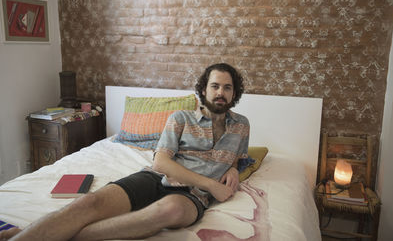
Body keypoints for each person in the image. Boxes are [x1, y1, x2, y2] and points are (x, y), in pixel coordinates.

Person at [1, 63, 249, 241]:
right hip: (154, 178)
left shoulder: (242, 125)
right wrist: (212, 183)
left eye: (227, 88)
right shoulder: (181, 117)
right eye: (215, 86)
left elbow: (238, 157)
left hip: (194, 196)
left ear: (234, 93)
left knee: (168, 211)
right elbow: (161, 163)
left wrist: (233, 169)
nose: (220, 93)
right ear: (203, 90)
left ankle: (37, 234)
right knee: (90, 201)